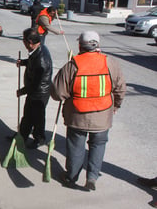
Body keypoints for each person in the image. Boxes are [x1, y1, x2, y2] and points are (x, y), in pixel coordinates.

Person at [51, 31, 126, 191]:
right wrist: (116, 106)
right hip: (102, 117)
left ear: (80, 46)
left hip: (77, 117)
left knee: (76, 147)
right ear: (98, 45)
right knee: (98, 145)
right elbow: (120, 89)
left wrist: (66, 95)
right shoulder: (110, 63)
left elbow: (57, 93)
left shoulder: (72, 65)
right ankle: (92, 177)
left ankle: (71, 177)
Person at [16, 28, 52, 149]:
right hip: (33, 91)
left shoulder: (41, 59)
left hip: (39, 92)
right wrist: (23, 62)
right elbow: (32, 61)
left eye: (24, 41)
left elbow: (36, 83)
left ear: (30, 42)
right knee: (27, 116)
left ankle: (39, 139)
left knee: (37, 117)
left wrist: (22, 91)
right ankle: (22, 136)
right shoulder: (36, 50)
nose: (23, 43)